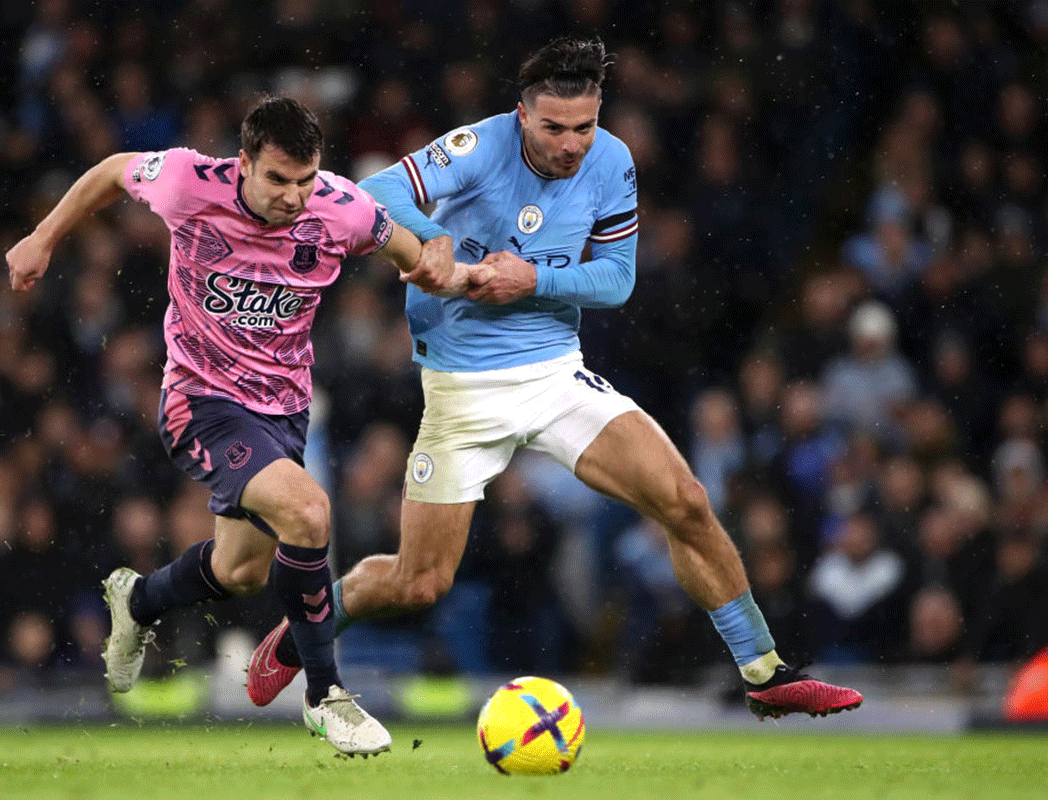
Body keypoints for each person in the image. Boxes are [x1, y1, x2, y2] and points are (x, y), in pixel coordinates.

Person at [246, 38, 863, 719]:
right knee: (418, 582)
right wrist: (433, 240)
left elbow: (616, 280)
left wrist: (530, 278)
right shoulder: (479, 146)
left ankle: (765, 674)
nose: (572, 145)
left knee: (685, 499)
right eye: (554, 128)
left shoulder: (613, 161)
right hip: (463, 388)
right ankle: (307, 627)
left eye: (584, 127)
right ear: (521, 116)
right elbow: (378, 191)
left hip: (555, 374)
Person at [6, 96, 469, 755]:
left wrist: (441, 254)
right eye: (277, 180)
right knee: (309, 514)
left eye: (304, 181)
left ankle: (137, 603)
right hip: (200, 400)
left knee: (241, 571)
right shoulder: (189, 182)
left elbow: (413, 255)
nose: (292, 197)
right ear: (244, 162)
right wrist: (43, 238)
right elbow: (112, 170)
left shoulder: (340, 208)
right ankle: (325, 696)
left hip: (283, 412)